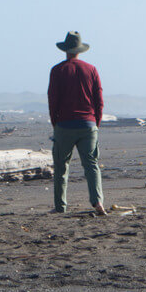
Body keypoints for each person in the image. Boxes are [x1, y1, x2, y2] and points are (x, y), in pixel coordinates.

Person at [47, 31, 107, 215]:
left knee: (61, 166)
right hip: (87, 124)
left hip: (64, 124)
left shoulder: (58, 70)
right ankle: (97, 202)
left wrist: (55, 123)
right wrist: (95, 122)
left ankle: (60, 206)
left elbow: (52, 100)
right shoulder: (91, 69)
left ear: (66, 50)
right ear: (79, 50)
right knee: (91, 165)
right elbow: (99, 100)